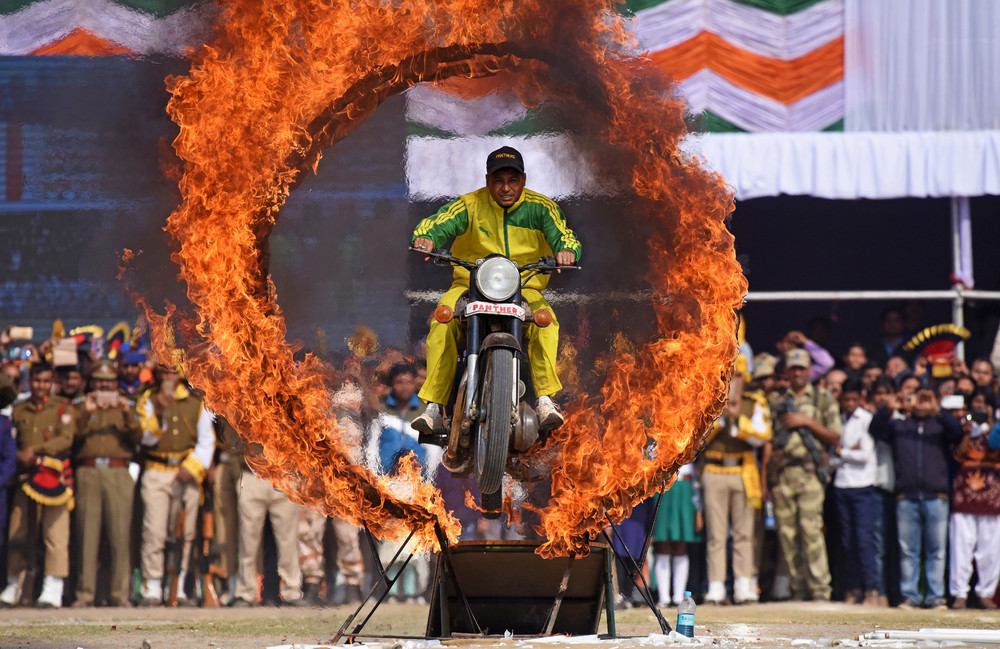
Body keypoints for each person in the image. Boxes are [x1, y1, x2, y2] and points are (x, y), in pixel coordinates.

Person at [410, 146, 582, 433]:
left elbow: (563, 233)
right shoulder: (469, 205)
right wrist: (425, 236)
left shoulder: (541, 207)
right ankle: (434, 407)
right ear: (488, 180)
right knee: (441, 322)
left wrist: (566, 249)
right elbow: (437, 223)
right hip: (469, 284)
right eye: (498, 180)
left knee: (547, 323)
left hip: (526, 287)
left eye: (512, 180)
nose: (505, 188)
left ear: (523, 180)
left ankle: (544, 399)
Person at [869, 388, 962, 610]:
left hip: (936, 496)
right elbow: (876, 430)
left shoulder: (938, 426)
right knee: (908, 550)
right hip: (906, 496)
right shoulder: (900, 426)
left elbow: (958, 432)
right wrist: (888, 408)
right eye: (916, 399)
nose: (920, 403)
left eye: (924, 399)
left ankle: (935, 596)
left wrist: (937, 409)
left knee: (936, 551)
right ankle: (910, 595)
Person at [136, 365, 215, 606]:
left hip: (186, 474)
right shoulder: (148, 399)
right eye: (164, 372)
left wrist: (190, 468)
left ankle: (179, 587)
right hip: (157, 471)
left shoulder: (195, 401)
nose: (169, 377)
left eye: (173, 372)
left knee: (185, 532)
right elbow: (144, 438)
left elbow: (206, 440)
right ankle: (152, 587)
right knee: (155, 532)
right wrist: (159, 409)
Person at [766, 348, 841, 601]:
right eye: (792, 368)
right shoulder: (776, 401)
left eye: (802, 368)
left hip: (810, 472)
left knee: (811, 531)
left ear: (810, 370)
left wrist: (806, 422)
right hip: (784, 473)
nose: (797, 372)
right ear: (786, 371)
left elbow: (835, 435)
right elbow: (768, 439)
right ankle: (798, 589)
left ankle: (820, 589)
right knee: (787, 535)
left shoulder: (822, 399)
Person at [0, 362, 76, 608]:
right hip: (26, 479)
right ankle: (14, 583)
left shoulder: (63, 406)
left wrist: (35, 451)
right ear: (29, 380)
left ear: (52, 381)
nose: (41, 386)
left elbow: (65, 439)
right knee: (18, 531)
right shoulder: (19, 409)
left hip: (54, 478)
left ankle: (53, 587)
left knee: (55, 534)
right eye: (36, 381)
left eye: (45, 381)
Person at [71, 360, 142, 608]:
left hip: (118, 471)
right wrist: (87, 412)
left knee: (120, 535)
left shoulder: (125, 405)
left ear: (115, 383)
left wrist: (126, 412)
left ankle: (120, 594)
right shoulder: (81, 405)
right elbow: (72, 436)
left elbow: (138, 436)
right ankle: (84, 594)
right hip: (89, 470)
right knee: (86, 535)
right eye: (100, 381)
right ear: (92, 382)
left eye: (109, 382)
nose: (104, 386)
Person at [700, 373, 771, 605]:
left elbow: (763, 436)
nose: (733, 379)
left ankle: (743, 586)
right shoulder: (707, 398)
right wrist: (720, 418)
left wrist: (738, 417)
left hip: (744, 471)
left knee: (744, 533)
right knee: (715, 534)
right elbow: (697, 438)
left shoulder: (754, 401)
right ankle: (716, 588)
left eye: (737, 374)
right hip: (714, 471)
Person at [948, 389, 1000, 610]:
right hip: (964, 497)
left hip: (991, 498)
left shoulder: (997, 428)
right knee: (960, 548)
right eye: (976, 404)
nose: (979, 408)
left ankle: (986, 593)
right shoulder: (960, 427)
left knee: (990, 549)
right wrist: (968, 432)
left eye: (984, 404)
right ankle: (959, 594)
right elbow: (958, 455)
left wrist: (991, 423)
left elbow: (996, 449)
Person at [830, 379, 878, 605]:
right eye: (846, 399)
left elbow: (864, 455)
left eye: (853, 399)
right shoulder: (837, 419)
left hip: (862, 486)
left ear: (861, 398)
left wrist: (841, 451)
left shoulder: (866, 420)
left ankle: (871, 589)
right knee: (847, 541)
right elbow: (831, 458)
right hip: (841, 485)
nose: (849, 403)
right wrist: (847, 452)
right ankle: (853, 588)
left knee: (864, 540)